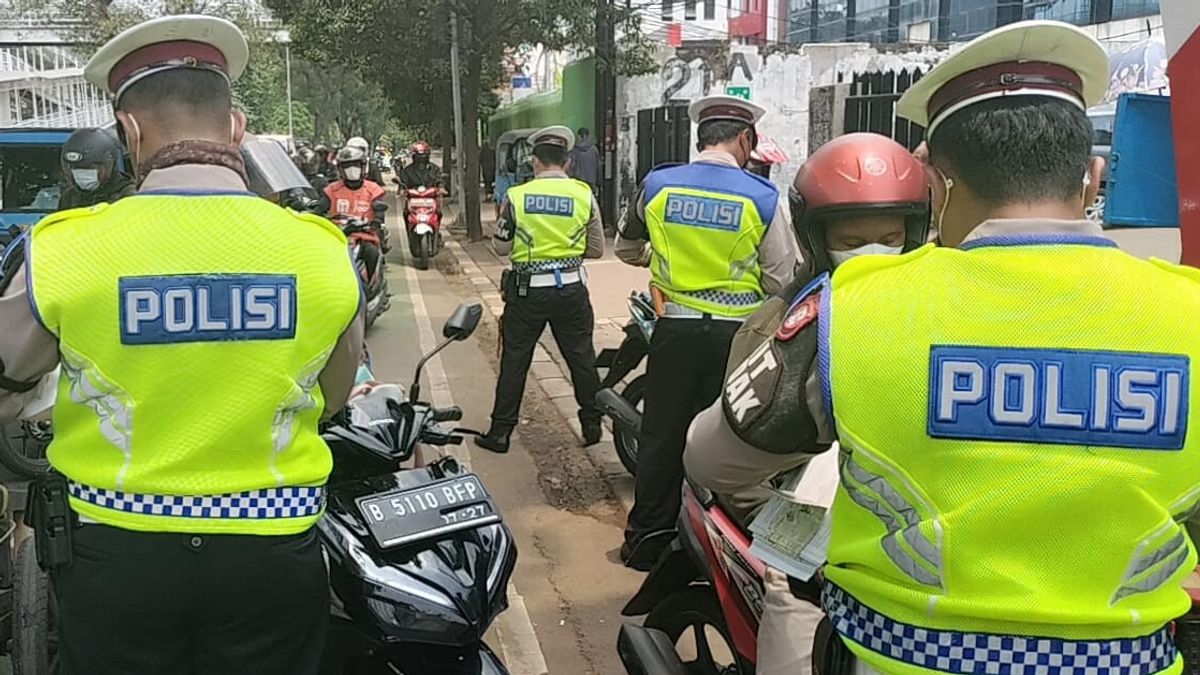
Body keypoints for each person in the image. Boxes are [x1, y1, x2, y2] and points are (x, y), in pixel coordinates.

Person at [685, 19, 1200, 675]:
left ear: (936, 186)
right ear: (1094, 177)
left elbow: (714, 460)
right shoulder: (1190, 313)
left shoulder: (854, 308)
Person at [0, 15, 364, 675]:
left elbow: (6, 386)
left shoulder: (64, 249)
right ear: (237, 129)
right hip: (272, 559)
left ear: (130, 131)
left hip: (115, 564)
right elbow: (334, 396)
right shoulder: (321, 252)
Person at [706, 132, 931, 675]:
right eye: (852, 238)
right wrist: (785, 525)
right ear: (814, 235)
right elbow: (728, 459)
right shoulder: (785, 323)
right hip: (812, 555)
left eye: (890, 234)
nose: (874, 250)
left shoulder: (947, 313)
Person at [614, 94, 798, 569]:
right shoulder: (763, 198)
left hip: (673, 329)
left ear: (700, 137)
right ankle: (715, 549)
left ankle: (645, 542)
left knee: (661, 436)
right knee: (727, 440)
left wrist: (663, 264)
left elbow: (626, 248)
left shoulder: (658, 185)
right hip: (736, 341)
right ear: (743, 138)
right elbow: (781, 279)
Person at [476, 126, 606, 453]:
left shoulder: (517, 197)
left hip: (527, 293)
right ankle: (592, 424)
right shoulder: (584, 195)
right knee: (581, 359)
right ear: (568, 163)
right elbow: (596, 249)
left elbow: (502, 247)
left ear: (535, 162)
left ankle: (501, 432)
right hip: (572, 291)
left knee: (515, 361)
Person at [322, 145, 388, 263]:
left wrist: (376, 221)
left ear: (363, 167)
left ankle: (370, 281)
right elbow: (319, 209)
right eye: (347, 166)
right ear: (340, 169)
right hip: (336, 236)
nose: (352, 170)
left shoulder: (372, 189)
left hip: (364, 236)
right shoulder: (331, 190)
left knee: (372, 253)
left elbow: (379, 209)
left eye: (356, 165)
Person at [58, 127, 134, 209]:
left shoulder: (129, 196)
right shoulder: (70, 197)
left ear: (109, 164)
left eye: (90, 167)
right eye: (76, 167)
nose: (81, 173)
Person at [567, 126, 601, 195]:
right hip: (591, 181)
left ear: (579, 136)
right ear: (588, 136)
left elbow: (571, 166)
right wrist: (599, 182)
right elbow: (598, 167)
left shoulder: (574, 150)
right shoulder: (594, 149)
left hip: (578, 181)